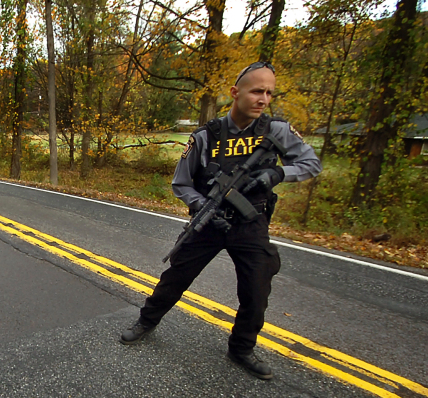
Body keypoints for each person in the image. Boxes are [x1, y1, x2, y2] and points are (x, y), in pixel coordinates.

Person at [120, 61, 321, 380]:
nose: (263, 99)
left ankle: (241, 348)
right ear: (235, 92)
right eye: (257, 91)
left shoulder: (276, 131)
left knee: (256, 290)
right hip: (209, 221)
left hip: (251, 222)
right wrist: (202, 206)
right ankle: (146, 321)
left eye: (269, 93)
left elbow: (311, 163)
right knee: (176, 277)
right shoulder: (206, 136)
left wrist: (278, 172)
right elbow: (180, 183)